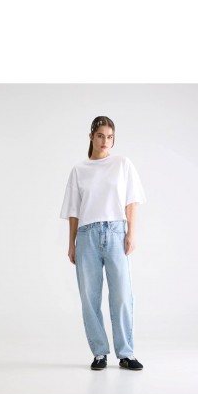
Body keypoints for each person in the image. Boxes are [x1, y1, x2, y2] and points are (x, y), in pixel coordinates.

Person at [60, 116, 147, 371]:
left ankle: (126, 353)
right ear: (91, 137)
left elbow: (132, 201)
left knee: (122, 295)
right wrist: (71, 243)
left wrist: (131, 233)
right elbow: (74, 210)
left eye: (109, 137)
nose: (105, 141)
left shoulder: (122, 164)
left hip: (116, 232)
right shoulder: (79, 170)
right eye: (100, 136)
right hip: (86, 235)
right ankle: (99, 352)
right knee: (89, 297)